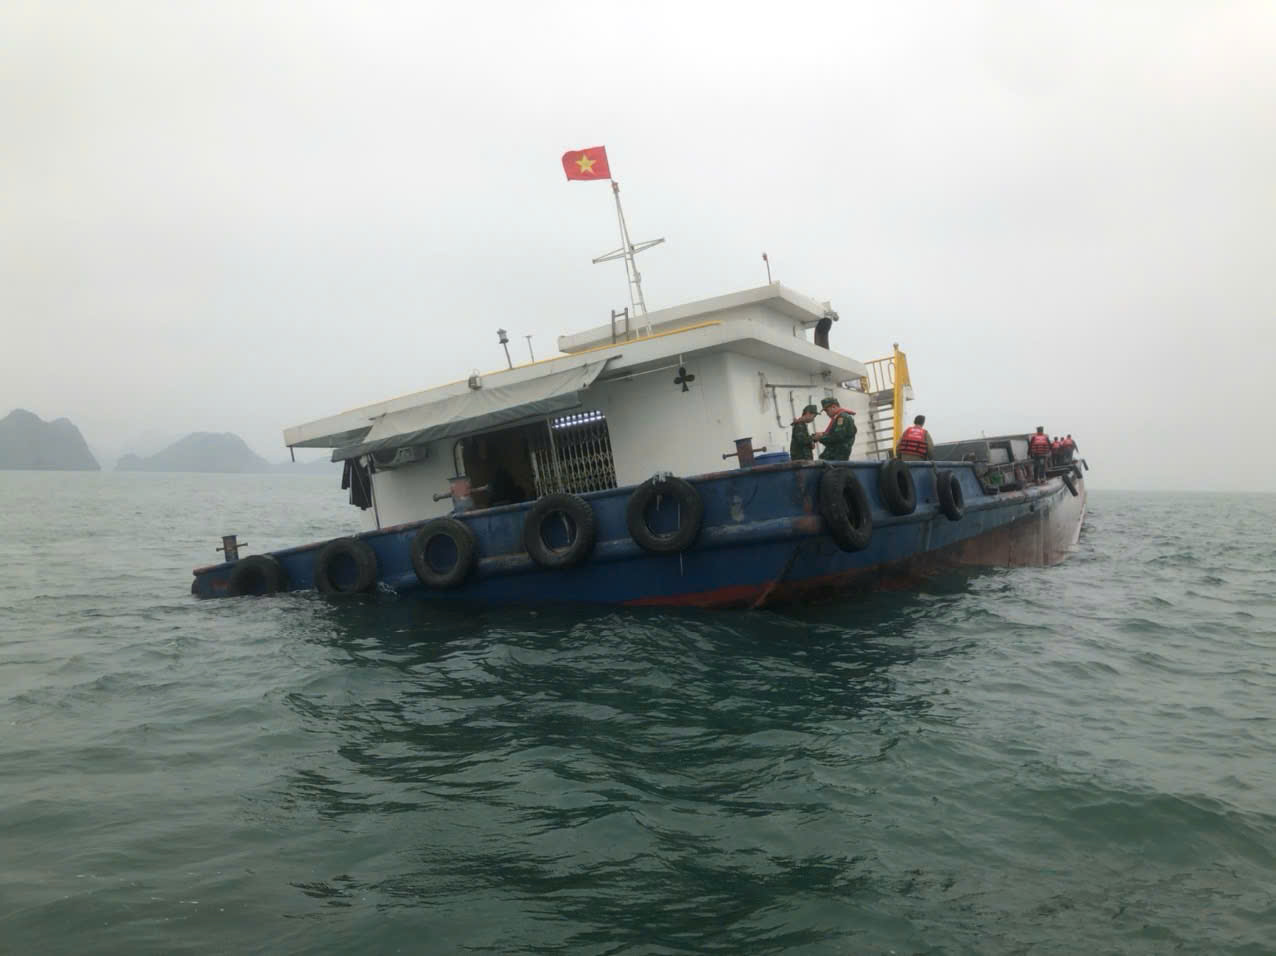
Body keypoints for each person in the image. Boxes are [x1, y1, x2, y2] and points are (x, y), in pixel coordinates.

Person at [813, 396, 857, 461]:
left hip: (837, 455)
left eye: (827, 410)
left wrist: (820, 438)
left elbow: (837, 436)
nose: (827, 413)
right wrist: (823, 434)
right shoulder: (839, 417)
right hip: (834, 453)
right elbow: (835, 434)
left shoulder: (842, 418)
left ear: (833, 406)